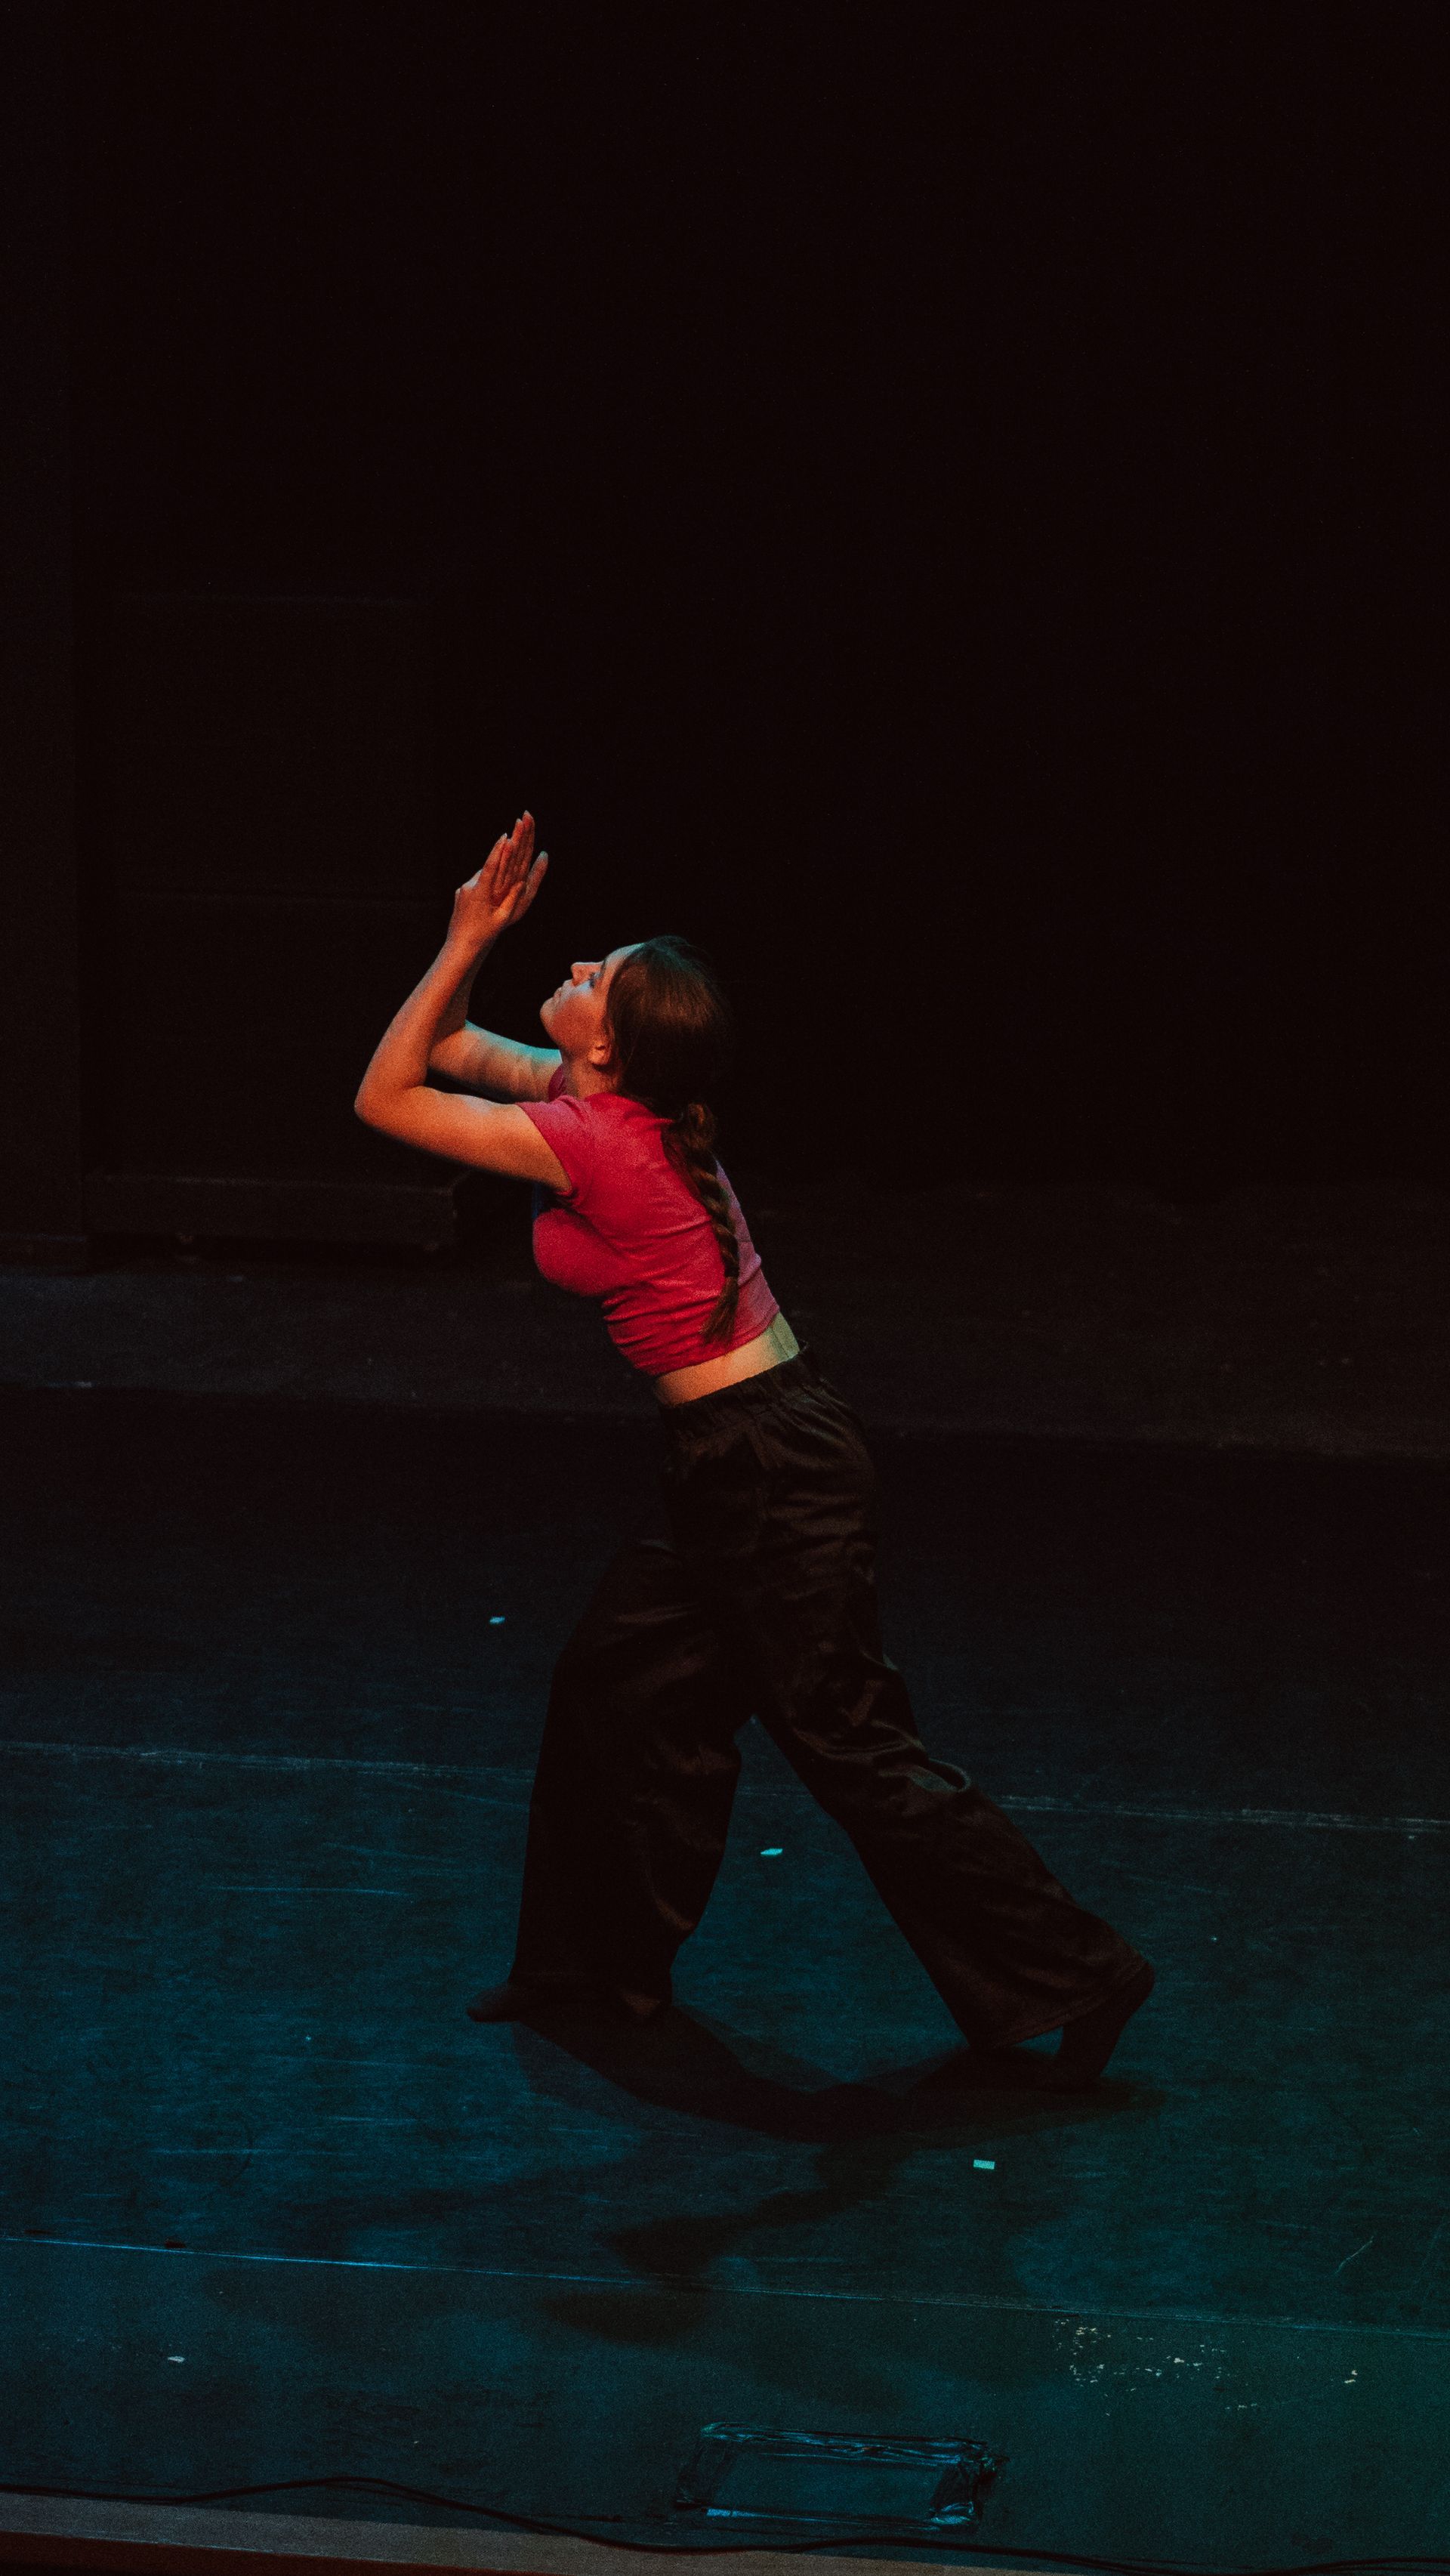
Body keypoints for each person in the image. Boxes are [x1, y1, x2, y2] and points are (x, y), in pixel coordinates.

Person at [355, 812, 1155, 2090]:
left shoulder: (594, 1139)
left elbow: (385, 1093)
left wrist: (463, 939)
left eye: (596, 977)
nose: (576, 969)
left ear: (610, 1044)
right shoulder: (599, 1100)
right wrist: (478, 939)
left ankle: (1081, 1971)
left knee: (851, 1746)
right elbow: (447, 1046)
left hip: (776, 1471)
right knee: (617, 1693)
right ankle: (591, 1970)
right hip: (736, 1459)